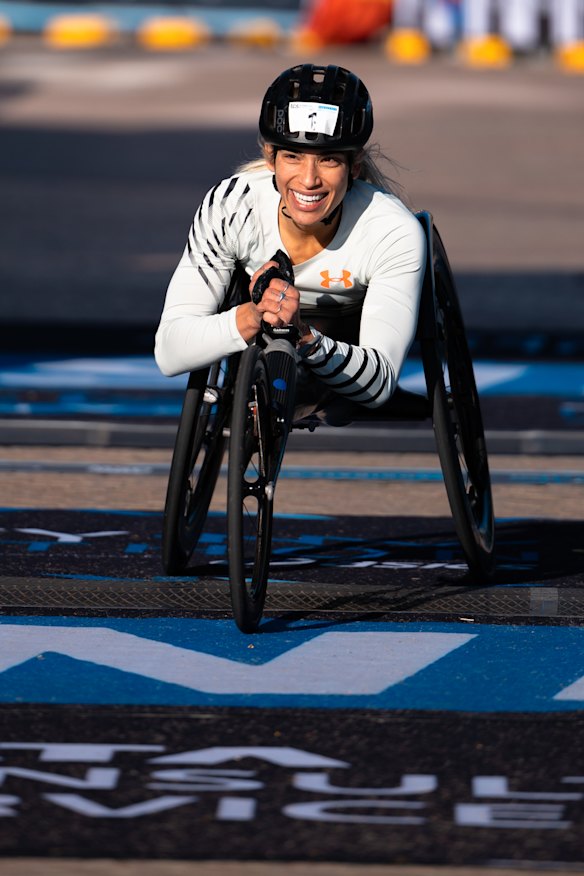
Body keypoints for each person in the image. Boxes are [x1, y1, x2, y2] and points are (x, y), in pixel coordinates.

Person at [154, 64, 426, 416]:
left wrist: (301, 334)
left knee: (344, 403)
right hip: (258, 323)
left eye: (328, 159)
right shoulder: (233, 207)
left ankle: (316, 384)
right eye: (293, 156)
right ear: (271, 157)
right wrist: (253, 316)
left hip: (347, 331)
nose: (308, 180)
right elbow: (170, 350)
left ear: (354, 165)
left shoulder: (392, 230)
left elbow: (377, 386)